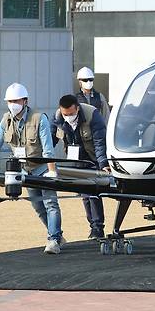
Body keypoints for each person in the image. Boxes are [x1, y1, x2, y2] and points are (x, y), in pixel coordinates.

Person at [0, 83, 65, 254]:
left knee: (50, 204)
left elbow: (48, 148)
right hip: (25, 170)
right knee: (38, 206)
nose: (12, 104)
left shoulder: (40, 118)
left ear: (25, 101)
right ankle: (57, 235)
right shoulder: (6, 120)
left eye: (15, 100)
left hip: (43, 169)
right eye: (9, 101)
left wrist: (52, 171)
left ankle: (53, 240)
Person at [52, 94, 111, 239]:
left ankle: (98, 228)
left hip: (92, 159)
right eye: (65, 114)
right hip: (75, 160)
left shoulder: (92, 115)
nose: (68, 117)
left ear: (77, 108)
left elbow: (99, 142)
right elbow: (50, 138)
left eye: (71, 114)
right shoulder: (58, 117)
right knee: (84, 194)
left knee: (93, 193)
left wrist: (103, 164)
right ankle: (93, 226)